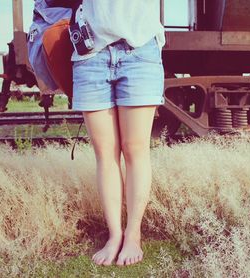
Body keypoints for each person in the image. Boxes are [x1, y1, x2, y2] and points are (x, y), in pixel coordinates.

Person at [70, 0, 165, 266]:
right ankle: (114, 235)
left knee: (135, 149)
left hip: (140, 49)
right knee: (105, 153)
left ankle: (133, 234)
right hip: (90, 53)